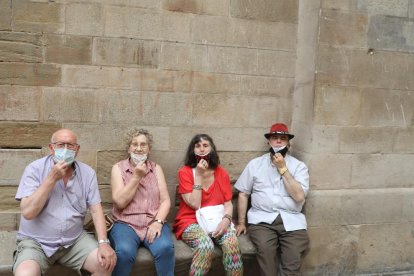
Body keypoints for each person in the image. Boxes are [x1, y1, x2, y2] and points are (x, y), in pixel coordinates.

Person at [13, 128, 116, 276]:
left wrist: (103, 243)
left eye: (71, 145)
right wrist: (51, 179)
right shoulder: (34, 169)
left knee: (106, 263)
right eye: (61, 145)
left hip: (73, 241)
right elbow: (28, 213)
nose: (66, 149)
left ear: (77, 149)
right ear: (51, 148)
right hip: (36, 243)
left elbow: (95, 209)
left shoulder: (87, 173)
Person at [235, 123, 309, 276]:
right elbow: (243, 193)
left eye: (283, 138)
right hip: (262, 220)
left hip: (292, 220)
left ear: (288, 143)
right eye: (275, 138)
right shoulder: (255, 165)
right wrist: (242, 222)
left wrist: (283, 169)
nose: (279, 142)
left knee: (293, 259)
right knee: (265, 253)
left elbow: (299, 197)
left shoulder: (299, 166)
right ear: (268, 142)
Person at [173, 134, 243, 276]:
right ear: (193, 151)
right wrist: (198, 175)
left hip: (217, 220)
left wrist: (226, 220)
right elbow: (194, 204)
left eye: (205, 145)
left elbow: (228, 203)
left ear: (212, 149)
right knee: (205, 245)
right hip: (190, 221)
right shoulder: (185, 172)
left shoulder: (221, 172)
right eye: (197, 146)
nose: (202, 149)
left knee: (231, 243)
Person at [108, 128, 175, 276]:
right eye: (135, 144)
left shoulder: (156, 169)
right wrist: (136, 177)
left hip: (152, 222)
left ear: (149, 149)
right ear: (129, 147)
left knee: (165, 247)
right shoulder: (118, 168)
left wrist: (158, 222)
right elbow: (120, 202)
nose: (139, 148)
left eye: (143, 144)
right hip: (126, 223)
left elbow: (165, 201)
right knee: (123, 251)